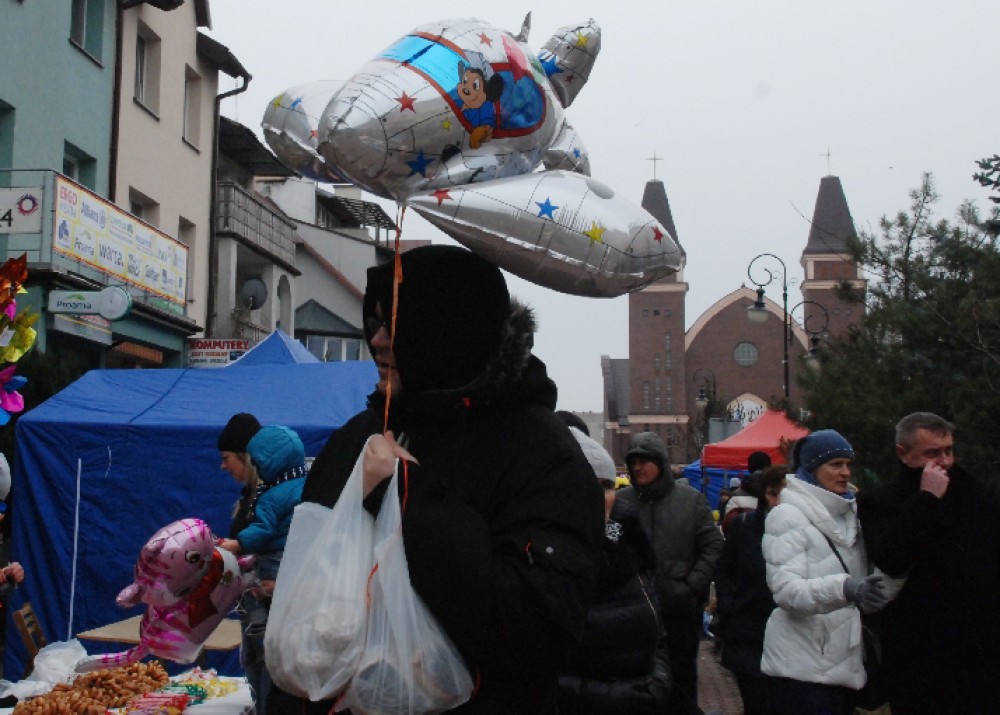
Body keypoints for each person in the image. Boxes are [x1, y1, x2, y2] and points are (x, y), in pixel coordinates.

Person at [277, 245, 605, 713]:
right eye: (376, 322)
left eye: (398, 324)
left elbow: (536, 631)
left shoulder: (541, 454)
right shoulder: (358, 436)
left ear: (450, 329)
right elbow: (308, 588)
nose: (378, 341)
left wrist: (406, 499)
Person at [857, 412, 1000, 714]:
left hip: (978, 654)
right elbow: (891, 557)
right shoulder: (881, 502)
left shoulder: (977, 497)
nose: (945, 461)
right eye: (933, 453)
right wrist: (926, 499)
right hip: (918, 657)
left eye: (949, 450)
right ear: (903, 453)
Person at [760, 430, 895, 715]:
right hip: (800, 670)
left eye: (848, 464)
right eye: (835, 464)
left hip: (844, 667)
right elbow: (785, 590)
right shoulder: (787, 515)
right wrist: (845, 588)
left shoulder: (852, 514)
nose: (845, 472)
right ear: (812, 468)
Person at [557, 427, 672, 714]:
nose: (599, 496)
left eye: (607, 485)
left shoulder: (630, 551)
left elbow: (657, 633)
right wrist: (613, 696)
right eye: (586, 484)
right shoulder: (546, 561)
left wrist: (657, 681)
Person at [616, 431, 723, 715]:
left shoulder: (691, 500)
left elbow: (712, 545)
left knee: (681, 684)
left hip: (679, 612)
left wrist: (691, 585)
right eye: (633, 462)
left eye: (644, 461)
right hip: (633, 613)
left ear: (660, 463)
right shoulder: (621, 502)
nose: (638, 467)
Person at [713, 466, 786, 715]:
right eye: (773, 494)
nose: (778, 502)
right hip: (748, 633)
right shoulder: (744, 527)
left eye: (783, 494)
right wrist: (728, 605)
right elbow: (724, 569)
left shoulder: (802, 530)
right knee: (756, 703)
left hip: (789, 637)